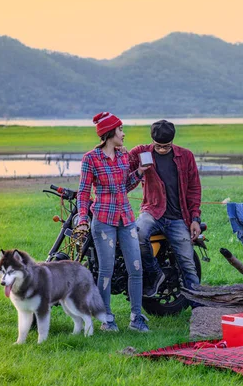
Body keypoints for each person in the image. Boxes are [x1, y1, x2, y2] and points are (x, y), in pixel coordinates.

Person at [76, 112, 150, 332]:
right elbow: (83, 192)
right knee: (105, 271)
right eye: (120, 130)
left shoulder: (124, 156)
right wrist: (81, 218)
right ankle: (107, 319)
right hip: (103, 220)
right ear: (109, 134)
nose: (123, 133)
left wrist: (138, 173)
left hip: (126, 218)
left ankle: (137, 318)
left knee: (136, 268)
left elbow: (124, 186)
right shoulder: (91, 158)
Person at [128, 120, 202, 299]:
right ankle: (155, 275)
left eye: (166, 146)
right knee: (137, 234)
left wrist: (195, 218)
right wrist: (138, 170)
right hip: (151, 212)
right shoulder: (140, 152)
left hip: (178, 217)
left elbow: (194, 189)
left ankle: (200, 307)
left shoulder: (186, 156)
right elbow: (124, 180)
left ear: (172, 142)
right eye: (158, 146)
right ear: (152, 140)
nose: (161, 149)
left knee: (187, 262)